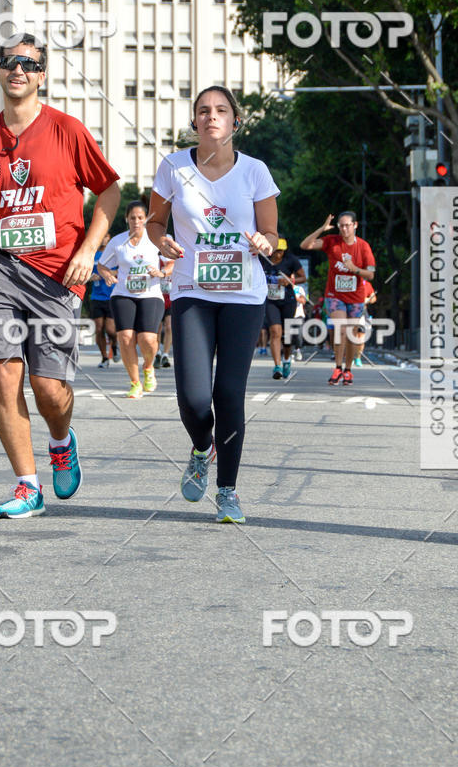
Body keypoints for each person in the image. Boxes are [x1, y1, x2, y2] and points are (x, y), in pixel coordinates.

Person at [0, 34, 120, 518]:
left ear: (42, 75)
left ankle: (61, 441)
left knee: (49, 389)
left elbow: (108, 193)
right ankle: (27, 485)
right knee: (5, 376)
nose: (18, 70)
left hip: (57, 274)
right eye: (9, 63)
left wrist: (89, 249)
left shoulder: (67, 130)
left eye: (28, 63)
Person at [148, 85, 279, 523]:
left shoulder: (255, 171)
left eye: (221, 110)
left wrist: (265, 241)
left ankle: (228, 491)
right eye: (203, 111)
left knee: (229, 394)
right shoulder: (173, 167)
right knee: (194, 399)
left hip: (244, 294)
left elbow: (274, 237)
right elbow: (154, 221)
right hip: (192, 292)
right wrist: (159, 240)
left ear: (234, 122)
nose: (211, 116)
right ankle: (201, 448)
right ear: (194, 122)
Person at [97, 201, 168, 398]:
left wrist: (161, 272)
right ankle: (135, 382)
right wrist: (107, 275)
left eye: (140, 218)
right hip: (123, 294)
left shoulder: (155, 239)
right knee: (126, 337)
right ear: (126, 219)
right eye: (132, 218)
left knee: (147, 339)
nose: (136, 221)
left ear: (146, 219)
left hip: (150, 294)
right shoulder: (118, 242)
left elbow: (172, 262)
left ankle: (148, 367)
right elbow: (101, 265)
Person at [300, 211, 375, 386]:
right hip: (335, 295)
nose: (344, 228)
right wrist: (322, 229)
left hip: (356, 296)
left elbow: (370, 274)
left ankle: (348, 370)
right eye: (341, 225)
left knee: (350, 334)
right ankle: (338, 367)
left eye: (348, 225)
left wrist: (354, 269)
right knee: (341, 329)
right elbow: (305, 245)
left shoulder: (363, 247)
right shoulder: (332, 241)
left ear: (355, 225)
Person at [261, 239, 306, 379]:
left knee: (287, 336)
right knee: (275, 331)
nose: (278, 254)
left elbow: (303, 278)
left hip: (288, 301)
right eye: (275, 250)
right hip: (270, 301)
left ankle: (286, 360)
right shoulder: (263, 260)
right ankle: (277, 366)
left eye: (281, 251)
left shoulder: (291, 260)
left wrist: (290, 281)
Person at [87, 231, 118, 368]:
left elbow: (121, 269)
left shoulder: (113, 253)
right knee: (99, 328)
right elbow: (85, 271)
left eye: (106, 236)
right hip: (96, 296)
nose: (104, 239)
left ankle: (115, 345)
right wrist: (91, 277)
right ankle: (104, 358)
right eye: (102, 237)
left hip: (112, 295)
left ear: (109, 238)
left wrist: (106, 273)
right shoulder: (92, 254)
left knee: (110, 329)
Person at [353, 281, 377, 366]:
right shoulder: (350, 282)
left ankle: (358, 357)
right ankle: (351, 356)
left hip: (363, 311)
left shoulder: (367, 284)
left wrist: (368, 299)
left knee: (361, 338)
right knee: (352, 336)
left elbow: (374, 298)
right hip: (351, 310)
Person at [155, 259, 173, 368]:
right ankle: (157, 352)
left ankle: (165, 354)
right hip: (158, 297)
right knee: (157, 327)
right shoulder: (156, 259)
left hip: (171, 298)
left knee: (169, 327)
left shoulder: (175, 259)